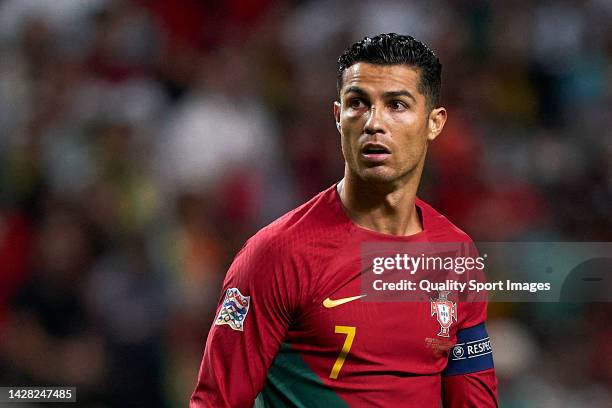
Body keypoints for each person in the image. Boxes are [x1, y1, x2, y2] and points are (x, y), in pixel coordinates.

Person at [190, 33, 498, 407]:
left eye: (396, 105)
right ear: (338, 117)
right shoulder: (278, 253)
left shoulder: (456, 255)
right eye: (358, 104)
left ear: (434, 123)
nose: (373, 123)